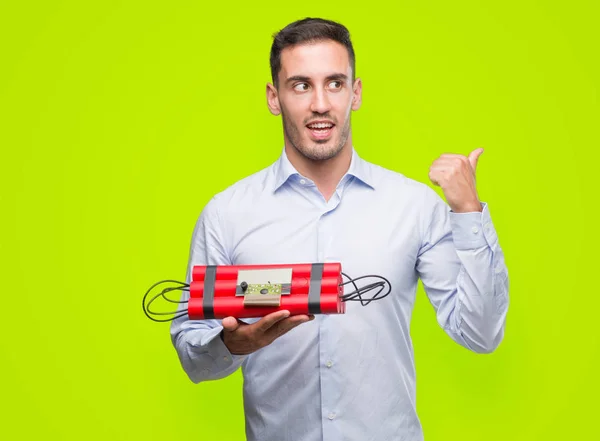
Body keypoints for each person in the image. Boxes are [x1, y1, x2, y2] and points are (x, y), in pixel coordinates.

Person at [170, 17, 509, 441]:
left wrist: (468, 212)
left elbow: (479, 334)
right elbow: (193, 357)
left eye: (334, 83)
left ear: (356, 92)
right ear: (274, 98)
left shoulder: (414, 206)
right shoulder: (227, 214)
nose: (320, 103)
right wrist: (232, 345)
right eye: (300, 85)